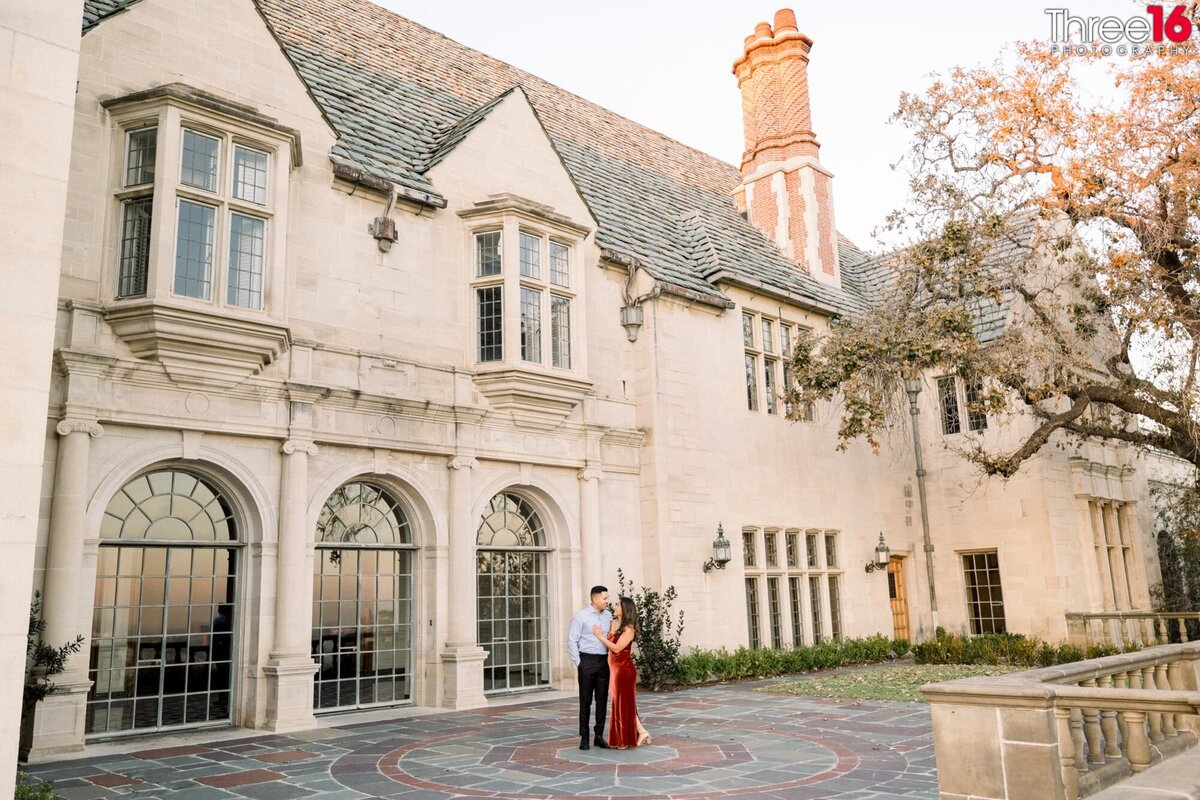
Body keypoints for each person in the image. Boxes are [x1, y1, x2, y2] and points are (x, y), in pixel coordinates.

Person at [592, 596, 652, 748]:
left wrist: (600, 636)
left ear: (625, 609)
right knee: (621, 703)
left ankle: (626, 739)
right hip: (614, 669)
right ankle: (641, 732)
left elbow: (617, 648)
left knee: (623, 703)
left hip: (624, 670)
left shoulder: (628, 629)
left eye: (618, 605)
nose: (615, 606)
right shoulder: (613, 622)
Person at [567, 585, 613, 750]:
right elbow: (572, 640)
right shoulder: (581, 616)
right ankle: (584, 737)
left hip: (603, 662)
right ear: (595, 599)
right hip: (586, 661)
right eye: (605, 598)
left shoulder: (608, 616)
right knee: (585, 701)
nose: (607, 601)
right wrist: (579, 663)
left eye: (607, 598)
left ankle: (599, 736)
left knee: (601, 700)